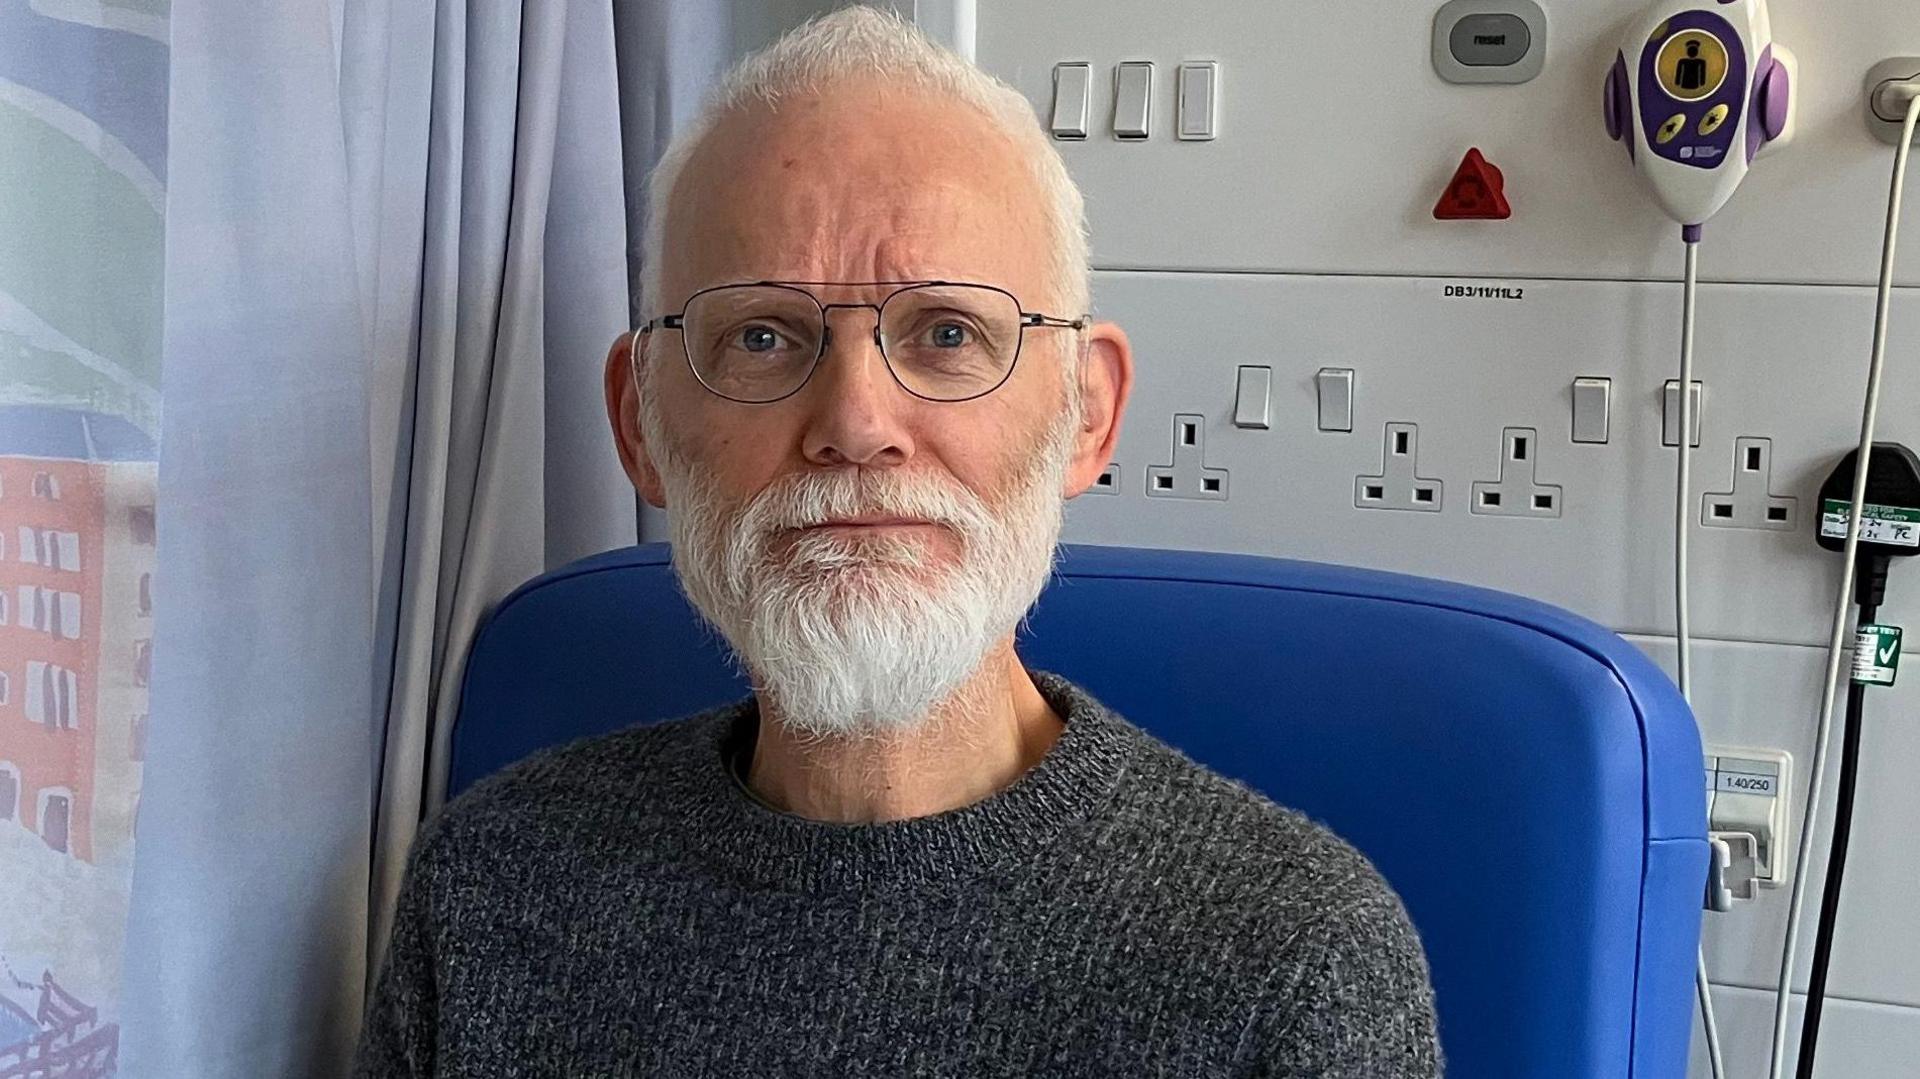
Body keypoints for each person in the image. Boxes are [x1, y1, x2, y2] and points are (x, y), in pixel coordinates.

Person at [354, 8, 1440, 1077]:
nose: (856, 423)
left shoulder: (1293, 962)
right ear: (643, 425)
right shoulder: (495, 882)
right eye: (764, 334)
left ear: (1087, 414)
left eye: (950, 332)